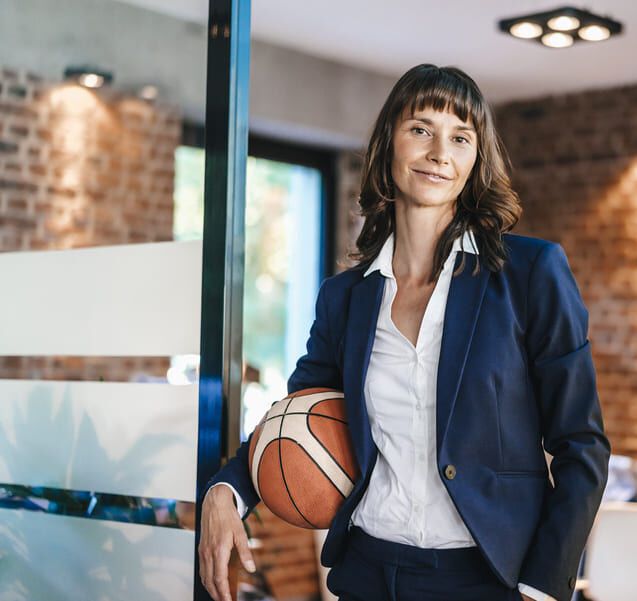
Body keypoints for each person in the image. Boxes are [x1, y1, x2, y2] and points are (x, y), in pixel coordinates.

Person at [199, 63, 610, 601]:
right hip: (370, 572)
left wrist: (541, 589)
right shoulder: (345, 297)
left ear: (475, 161)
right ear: (388, 144)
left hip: (491, 580)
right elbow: (297, 411)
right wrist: (225, 490)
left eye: (461, 138)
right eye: (421, 129)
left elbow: (582, 445)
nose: (440, 152)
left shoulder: (531, 274)